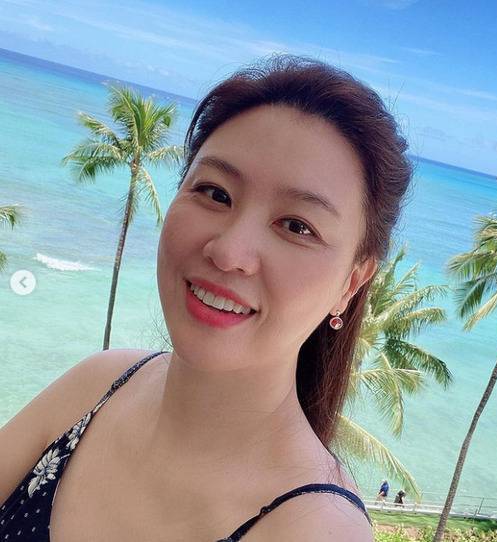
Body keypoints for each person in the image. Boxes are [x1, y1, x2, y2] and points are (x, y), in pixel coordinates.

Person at [0, 53, 413, 541]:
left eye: (297, 226)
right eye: (216, 193)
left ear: (352, 282)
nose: (229, 252)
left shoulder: (315, 529)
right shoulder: (99, 384)